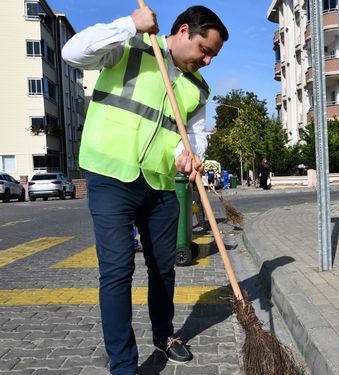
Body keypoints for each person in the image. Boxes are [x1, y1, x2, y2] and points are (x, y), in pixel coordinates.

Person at [62, 5, 228, 374]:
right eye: (205, 50)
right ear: (184, 31)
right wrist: (128, 24)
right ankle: (123, 364)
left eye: (213, 55)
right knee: (118, 269)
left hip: (160, 183)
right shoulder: (130, 47)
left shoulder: (198, 88)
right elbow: (71, 53)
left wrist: (189, 155)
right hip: (110, 175)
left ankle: (164, 335)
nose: (207, 60)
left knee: (163, 268)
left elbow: (194, 137)